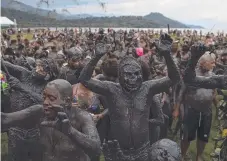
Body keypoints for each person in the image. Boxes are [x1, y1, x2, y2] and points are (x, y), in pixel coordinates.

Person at [79, 34, 182, 161]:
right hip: (117, 150)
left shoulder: (147, 88)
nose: (133, 78)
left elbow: (174, 78)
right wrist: (97, 55)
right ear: (120, 76)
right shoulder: (112, 90)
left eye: (136, 74)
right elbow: (84, 79)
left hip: (142, 150)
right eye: (128, 74)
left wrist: (167, 54)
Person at [181, 44, 227, 161]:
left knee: (203, 136)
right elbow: (182, 91)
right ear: (202, 63)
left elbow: (214, 93)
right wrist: (177, 108)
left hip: (207, 111)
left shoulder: (212, 76)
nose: (214, 64)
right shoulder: (191, 75)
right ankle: (183, 154)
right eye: (211, 62)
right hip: (191, 109)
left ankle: (199, 155)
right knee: (187, 135)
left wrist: (218, 108)